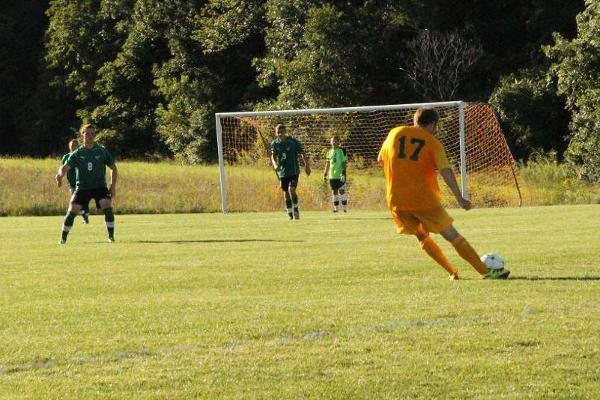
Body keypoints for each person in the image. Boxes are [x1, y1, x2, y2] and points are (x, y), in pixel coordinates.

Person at [377, 108, 510, 280]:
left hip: (396, 200)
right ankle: (486, 272)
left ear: (415, 120)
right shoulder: (433, 143)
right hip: (423, 199)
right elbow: (445, 171)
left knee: (421, 236)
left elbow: (380, 159)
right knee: (451, 235)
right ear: (432, 124)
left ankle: (452, 272)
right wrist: (460, 198)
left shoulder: (395, 133)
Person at [55, 124, 118, 243]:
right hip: (82, 187)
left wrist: (112, 186)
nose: (90, 136)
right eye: (87, 133)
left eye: (92, 133)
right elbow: (65, 167)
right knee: (73, 209)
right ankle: (63, 239)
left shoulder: (101, 151)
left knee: (107, 205)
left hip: (99, 187)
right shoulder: (77, 153)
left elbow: (113, 168)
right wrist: (60, 175)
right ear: (82, 135)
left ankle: (111, 237)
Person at [270, 124, 311, 220]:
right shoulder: (274, 143)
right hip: (283, 172)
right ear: (276, 134)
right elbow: (273, 156)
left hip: (294, 171)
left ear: (285, 132)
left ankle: (296, 208)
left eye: (282, 132)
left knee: (291, 189)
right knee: (285, 192)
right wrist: (275, 164)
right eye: (278, 133)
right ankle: (289, 211)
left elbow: (302, 152)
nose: (280, 134)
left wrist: (307, 166)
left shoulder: (292, 141)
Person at [61, 139, 90, 224]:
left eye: (75, 146)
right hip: (72, 182)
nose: (73, 147)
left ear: (78, 146)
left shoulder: (81, 156)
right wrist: (60, 178)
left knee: (80, 201)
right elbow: (63, 169)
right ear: (69, 147)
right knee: (75, 200)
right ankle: (84, 214)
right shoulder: (66, 157)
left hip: (82, 182)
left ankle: (84, 215)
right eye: (71, 146)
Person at [323, 136, 348, 212]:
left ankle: (345, 209)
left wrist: (343, 173)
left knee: (342, 191)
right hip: (332, 176)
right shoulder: (329, 152)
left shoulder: (342, 150)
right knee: (334, 191)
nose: (334, 142)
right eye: (333, 141)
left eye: (336, 141)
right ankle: (336, 209)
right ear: (330, 142)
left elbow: (344, 163)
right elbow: (327, 163)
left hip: (340, 175)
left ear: (339, 142)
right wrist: (325, 173)